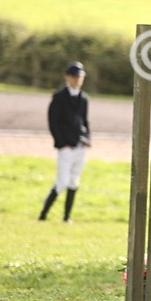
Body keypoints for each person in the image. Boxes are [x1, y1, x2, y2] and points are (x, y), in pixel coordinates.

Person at [39, 61, 91, 222]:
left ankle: (66, 217)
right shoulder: (59, 97)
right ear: (67, 77)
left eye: (80, 76)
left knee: (74, 182)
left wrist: (87, 139)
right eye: (74, 76)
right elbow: (53, 123)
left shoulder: (84, 99)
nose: (77, 79)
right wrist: (61, 143)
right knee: (62, 182)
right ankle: (43, 215)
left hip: (80, 145)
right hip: (66, 146)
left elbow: (85, 121)